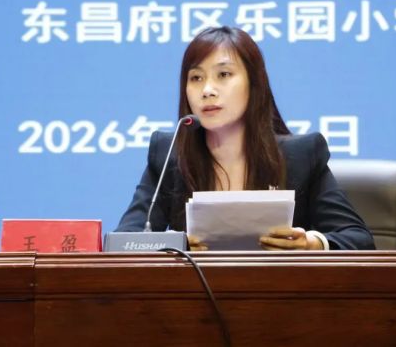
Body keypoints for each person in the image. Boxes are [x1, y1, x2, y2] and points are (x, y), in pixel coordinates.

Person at [116, 26, 375, 251]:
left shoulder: (299, 156)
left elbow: (359, 239)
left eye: (223, 75)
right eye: (196, 78)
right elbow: (124, 242)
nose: (207, 90)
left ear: (254, 85)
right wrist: (175, 246)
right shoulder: (169, 155)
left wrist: (311, 243)